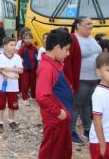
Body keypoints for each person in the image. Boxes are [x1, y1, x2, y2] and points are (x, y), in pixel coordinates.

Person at [63, 16, 102, 145]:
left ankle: (88, 130)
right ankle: (70, 132)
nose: (90, 26)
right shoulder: (73, 39)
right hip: (81, 79)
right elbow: (68, 62)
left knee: (88, 105)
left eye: (91, 24)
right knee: (75, 106)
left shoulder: (91, 37)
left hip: (95, 79)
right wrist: (70, 81)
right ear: (78, 25)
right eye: (87, 24)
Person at [36, 28, 73, 159]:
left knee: (63, 151)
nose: (68, 54)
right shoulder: (47, 68)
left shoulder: (55, 64)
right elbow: (41, 97)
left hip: (61, 122)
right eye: (66, 50)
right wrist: (59, 112)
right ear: (57, 47)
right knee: (51, 153)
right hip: (55, 122)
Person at [0, 37, 23, 133]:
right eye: (11, 45)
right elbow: (2, 71)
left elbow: (21, 70)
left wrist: (10, 69)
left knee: (12, 105)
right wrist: (11, 76)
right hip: (3, 85)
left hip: (14, 87)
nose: (14, 47)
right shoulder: (1, 57)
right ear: (5, 46)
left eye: (15, 45)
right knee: (0, 104)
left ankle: (11, 120)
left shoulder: (17, 57)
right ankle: (0, 122)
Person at [89, 53, 109, 159]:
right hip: (101, 140)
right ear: (98, 71)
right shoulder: (99, 93)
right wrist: (102, 145)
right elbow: (97, 119)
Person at [18, 31, 38, 106]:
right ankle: (25, 97)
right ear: (23, 39)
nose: (28, 40)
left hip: (33, 70)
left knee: (33, 84)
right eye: (26, 38)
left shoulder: (34, 48)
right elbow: (18, 56)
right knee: (25, 84)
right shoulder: (23, 48)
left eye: (29, 38)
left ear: (32, 39)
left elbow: (36, 57)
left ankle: (33, 96)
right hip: (25, 70)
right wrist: (22, 64)